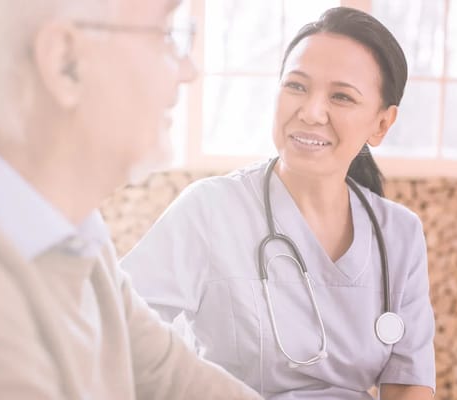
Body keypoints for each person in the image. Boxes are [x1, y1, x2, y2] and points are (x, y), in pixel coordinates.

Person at [0, 0, 263, 399]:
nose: (189, 71)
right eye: (166, 34)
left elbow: (172, 375)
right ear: (65, 63)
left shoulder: (69, 229)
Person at [121, 7, 435, 400]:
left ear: (381, 124)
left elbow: (409, 381)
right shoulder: (212, 210)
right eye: (297, 86)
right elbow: (116, 328)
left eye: (341, 96)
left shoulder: (399, 234)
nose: (310, 111)